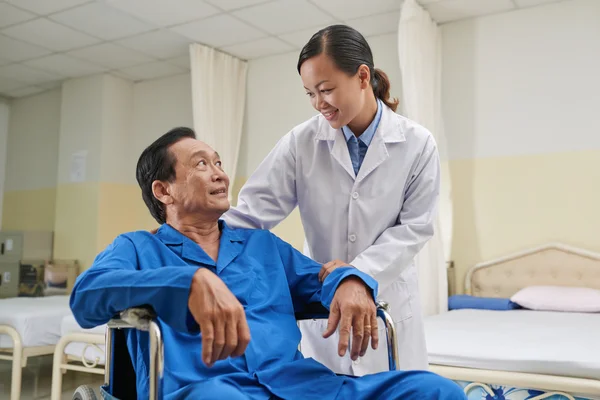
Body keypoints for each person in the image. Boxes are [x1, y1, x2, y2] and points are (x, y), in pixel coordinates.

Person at [70, 128, 464, 400]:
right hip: (209, 390)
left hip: (302, 386)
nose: (220, 173)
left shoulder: (262, 246)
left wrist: (351, 280)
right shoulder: (137, 248)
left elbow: (322, 280)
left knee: (437, 391)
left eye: (219, 162)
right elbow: (86, 296)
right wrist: (185, 283)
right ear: (163, 190)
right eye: (201, 164)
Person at [223, 24, 439, 375]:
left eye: (326, 90)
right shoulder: (301, 142)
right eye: (309, 93)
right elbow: (250, 214)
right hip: (324, 310)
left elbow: (415, 227)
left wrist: (359, 274)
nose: (318, 104)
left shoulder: (417, 143)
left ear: (362, 76)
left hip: (386, 301)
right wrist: (184, 239)